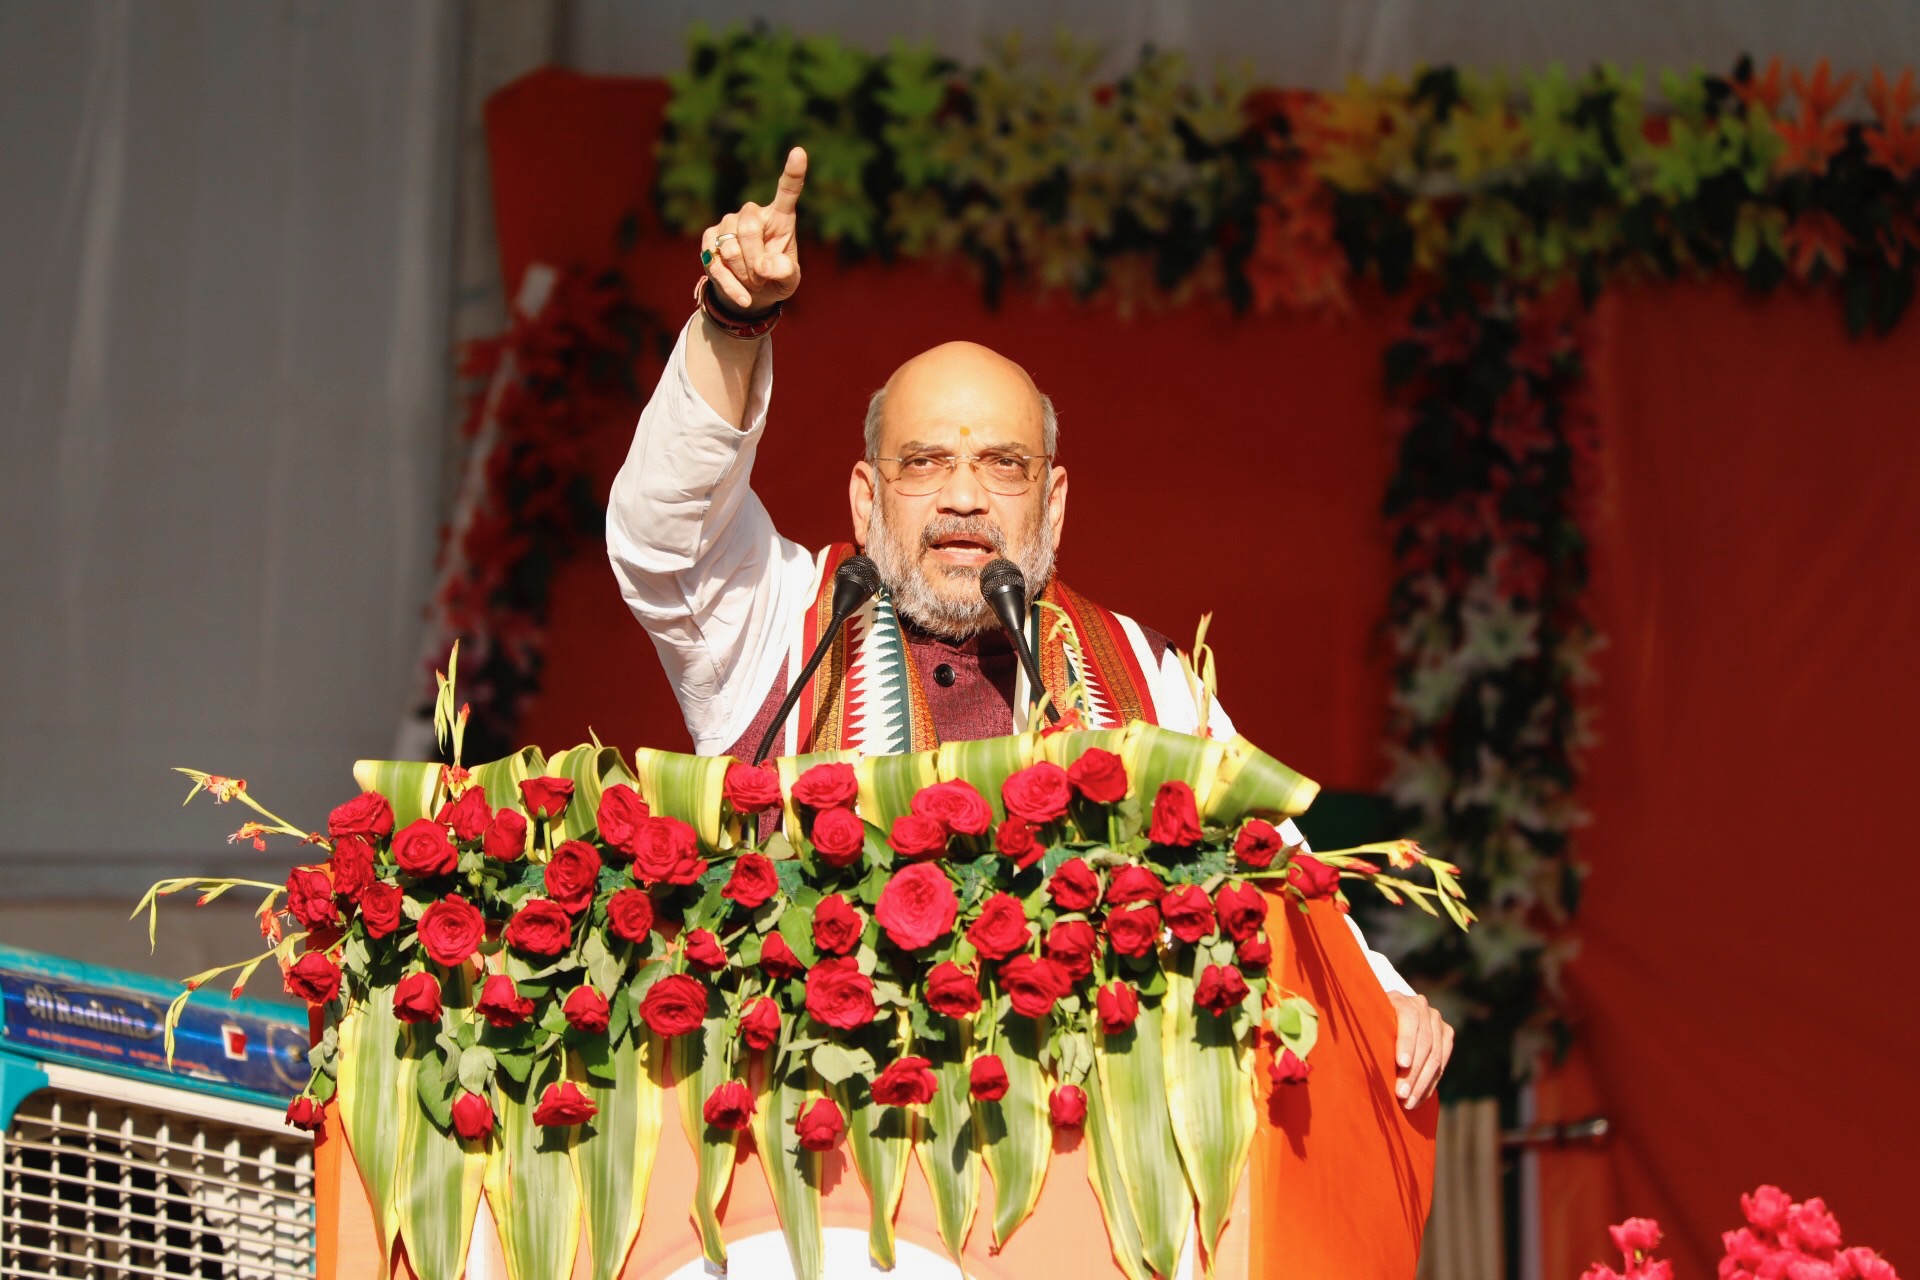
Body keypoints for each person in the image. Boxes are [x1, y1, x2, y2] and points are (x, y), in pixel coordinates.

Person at [607, 147, 1453, 1109]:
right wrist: (734, 324)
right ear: (863, 497)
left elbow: (1272, 862)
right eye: (924, 463)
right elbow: (659, 535)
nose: (964, 496)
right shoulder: (780, 623)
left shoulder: (1140, 673)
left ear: (1051, 504)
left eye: (1003, 466)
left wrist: (1386, 1001)